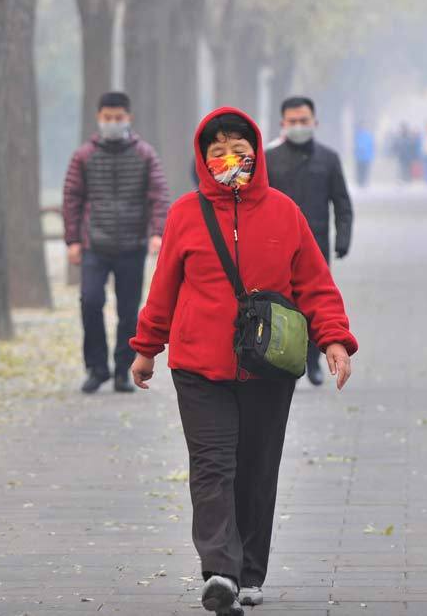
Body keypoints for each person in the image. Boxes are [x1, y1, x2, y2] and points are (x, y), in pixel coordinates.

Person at [129, 107, 357, 613]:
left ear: (256, 151)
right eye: (217, 152)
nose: (229, 158)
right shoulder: (186, 213)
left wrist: (334, 339)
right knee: (212, 465)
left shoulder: (284, 212)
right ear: (203, 160)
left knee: (256, 468)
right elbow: (164, 286)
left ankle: (250, 571)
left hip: (266, 367)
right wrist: (147, 348)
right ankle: (221, 572)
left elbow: (315, 285)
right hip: (198, 366)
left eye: (239, 148)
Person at [63, 91, 169, 395]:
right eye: (107, 118)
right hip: (94, 245)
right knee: (91, 302)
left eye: (118, 118)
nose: (112, 123)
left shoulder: (145, 154)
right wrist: (72, 239)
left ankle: (123, 370)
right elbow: (72, 197)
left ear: (128, 119)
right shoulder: (83, 155)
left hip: (132, 245)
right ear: (98, 118)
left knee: (128, 310)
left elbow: (159, 195)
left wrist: (157, 232)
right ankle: (97, 368)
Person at [266, 97, 354, 386]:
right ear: (282, 124)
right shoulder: (268, 159)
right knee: (282, 303)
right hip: (275, 245)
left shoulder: (328, 159)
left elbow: (341, 202)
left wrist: (343, 238)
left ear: (314, 122)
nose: (298, 126)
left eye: (304, 121)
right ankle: (281, 357)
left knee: (314, 303)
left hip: (315, 244)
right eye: (292, 122)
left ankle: (314, 361)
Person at [354, 120, 376, 188]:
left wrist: (371, 154)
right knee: (359, 170)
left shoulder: (368, 135)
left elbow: (371, 146)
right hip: (359, 157)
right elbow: (356, 145)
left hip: (366, 157)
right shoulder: (357, 135)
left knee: (365, 170)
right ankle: (360, 182)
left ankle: (364, 182)